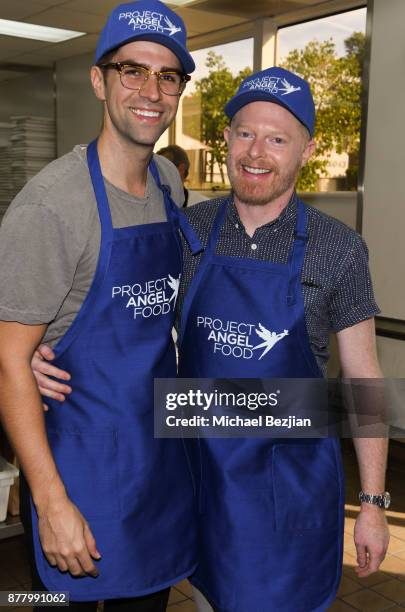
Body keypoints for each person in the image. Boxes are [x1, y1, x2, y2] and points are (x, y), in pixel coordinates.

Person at [33, 67, 390, 611]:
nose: (257, 153)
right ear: (225, 138)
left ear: (307, 149)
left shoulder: (339, 250)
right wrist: (40, 348)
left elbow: (364, 380)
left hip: (288, 501)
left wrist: (371, 503)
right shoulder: (186, 229)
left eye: (277, 139)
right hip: (202, 488)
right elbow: (122, 313)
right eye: (245, 133)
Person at [0, 1, 202, 610]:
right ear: (99, 80)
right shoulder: (52, 206)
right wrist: (51, 502)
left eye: (168, 76)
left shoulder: (169, 183)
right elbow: (10, 364)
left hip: (155, 463)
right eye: (131, 70)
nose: (151, 90)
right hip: (78, 472)